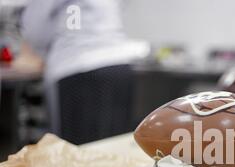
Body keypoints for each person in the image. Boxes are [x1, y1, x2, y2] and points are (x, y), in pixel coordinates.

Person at [20, 0, 149, 144]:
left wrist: (42, 53)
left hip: (77, 68)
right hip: (119, 66)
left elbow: (35, 26)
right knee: (115, 150)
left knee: (76, 152)